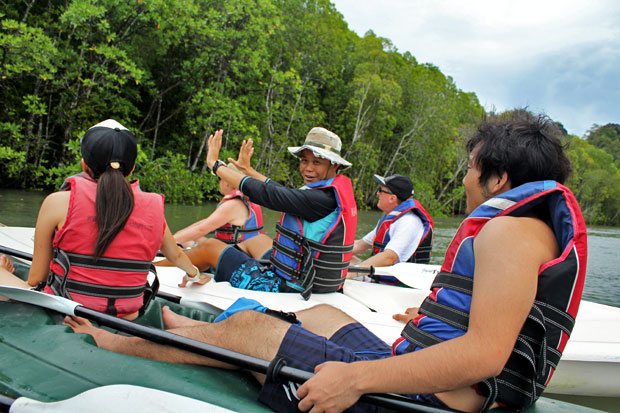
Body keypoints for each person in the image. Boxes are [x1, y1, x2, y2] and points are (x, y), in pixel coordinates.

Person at [65, 110, 587, 412]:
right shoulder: (529, 229)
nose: (467, 179)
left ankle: (122, 339)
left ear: (498, 179)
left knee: (250, 327)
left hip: (424, 405)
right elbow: (498, 326)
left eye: (473, 169)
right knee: (323, 314)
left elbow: (485, 358)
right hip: (441, 388)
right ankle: (207, 335)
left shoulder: (509, 234)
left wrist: (355, 380)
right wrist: (428, 321)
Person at [0, 119, 200, 320]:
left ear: (84, 164)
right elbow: (177, 256)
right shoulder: (154, 209)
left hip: (70, 312)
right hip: (128, 316)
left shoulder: (57, 202)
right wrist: (195, 275)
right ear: (131, 169)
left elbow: (36, 279)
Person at [164, 127, 357, 299]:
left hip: (292, 288)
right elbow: (281, 192)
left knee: (209, 246)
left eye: (317, 162)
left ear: (334, 165)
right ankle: (217, 264)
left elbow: (272, 195)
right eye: (305, 160)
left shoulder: (321, 200)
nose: (307, 168)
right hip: (309, 279)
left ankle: (156, 268)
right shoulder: (327, 193)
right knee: (257, 239)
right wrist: (248, 170)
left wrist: (215, 165)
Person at [348, 174, 434, 284]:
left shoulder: (408, 222)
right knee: (340, 257)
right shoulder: (391, 219)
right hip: (379, 276)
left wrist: (353, 272)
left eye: (381, 190)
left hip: (396, 283)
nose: (378, 193)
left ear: (392, 198)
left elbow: (389, 257)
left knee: (341, 264)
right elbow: (360, 245)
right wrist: (330, 251)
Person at [172, 163, 264, 249]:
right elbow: (206, 223)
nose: (219, 183)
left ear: (227, 182)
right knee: (187, 239)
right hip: (241, 250)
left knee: (185, 242)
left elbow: (201, 230)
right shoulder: (247, 199)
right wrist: (176, 237)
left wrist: (169, 242)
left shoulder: (234, 204)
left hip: (238, 255)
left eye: (220, 179)